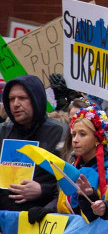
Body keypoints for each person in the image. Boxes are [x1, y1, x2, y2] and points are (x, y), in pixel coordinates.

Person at [0, 75, 65, 211]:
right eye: (11, 99)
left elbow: (72, 182)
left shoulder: (60, 132)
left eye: (22, 98)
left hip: (40, 219)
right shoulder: (3, 132)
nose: (15, 104)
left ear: (37, 99)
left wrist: (42, 190)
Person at [53, 105, 108, 218]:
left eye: (82, 134)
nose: (75, 140)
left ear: (97, 138)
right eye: (74, 134)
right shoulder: (71, 166)